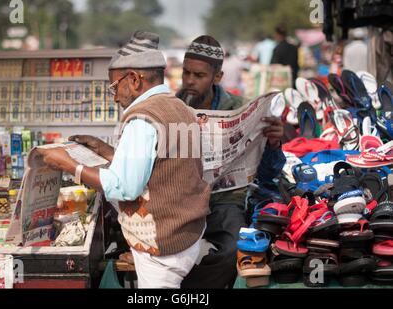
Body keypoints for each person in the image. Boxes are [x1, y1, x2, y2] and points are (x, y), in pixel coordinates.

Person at [37, 30, 210, 289]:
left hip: (163, 243)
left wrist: (68, 165)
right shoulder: (178, 107)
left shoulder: (142, 118)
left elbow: (125, 187)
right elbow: (159, 166)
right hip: (186, 234)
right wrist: (105, 150)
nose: (116, 96)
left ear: (134, 79)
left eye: (114, 87)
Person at [176, 35, 286, 288]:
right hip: (181, 200)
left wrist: (274, 144)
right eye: (186, 73)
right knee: (168, 252)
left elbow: (268, 173)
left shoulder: (239, 108)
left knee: (231, 252)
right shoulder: (172, 106)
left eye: (199, 75)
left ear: (217, 77)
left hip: (226, 201)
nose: (190, 81)